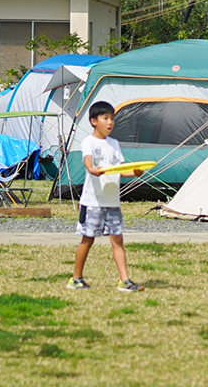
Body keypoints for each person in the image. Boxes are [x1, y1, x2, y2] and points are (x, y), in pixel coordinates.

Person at [68, 101, 144, 291]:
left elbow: (120, 168)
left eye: (112, 118)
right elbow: (88, 161)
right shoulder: (88, 142)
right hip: (92, 202)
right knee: (88, 239)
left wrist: (134, 172)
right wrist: (92, 169)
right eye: (105, 118)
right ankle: (76, 278)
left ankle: (124, 280)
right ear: (94, 121)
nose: (110, 122)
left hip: (112, 202)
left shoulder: (114, 144)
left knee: (118, 239)